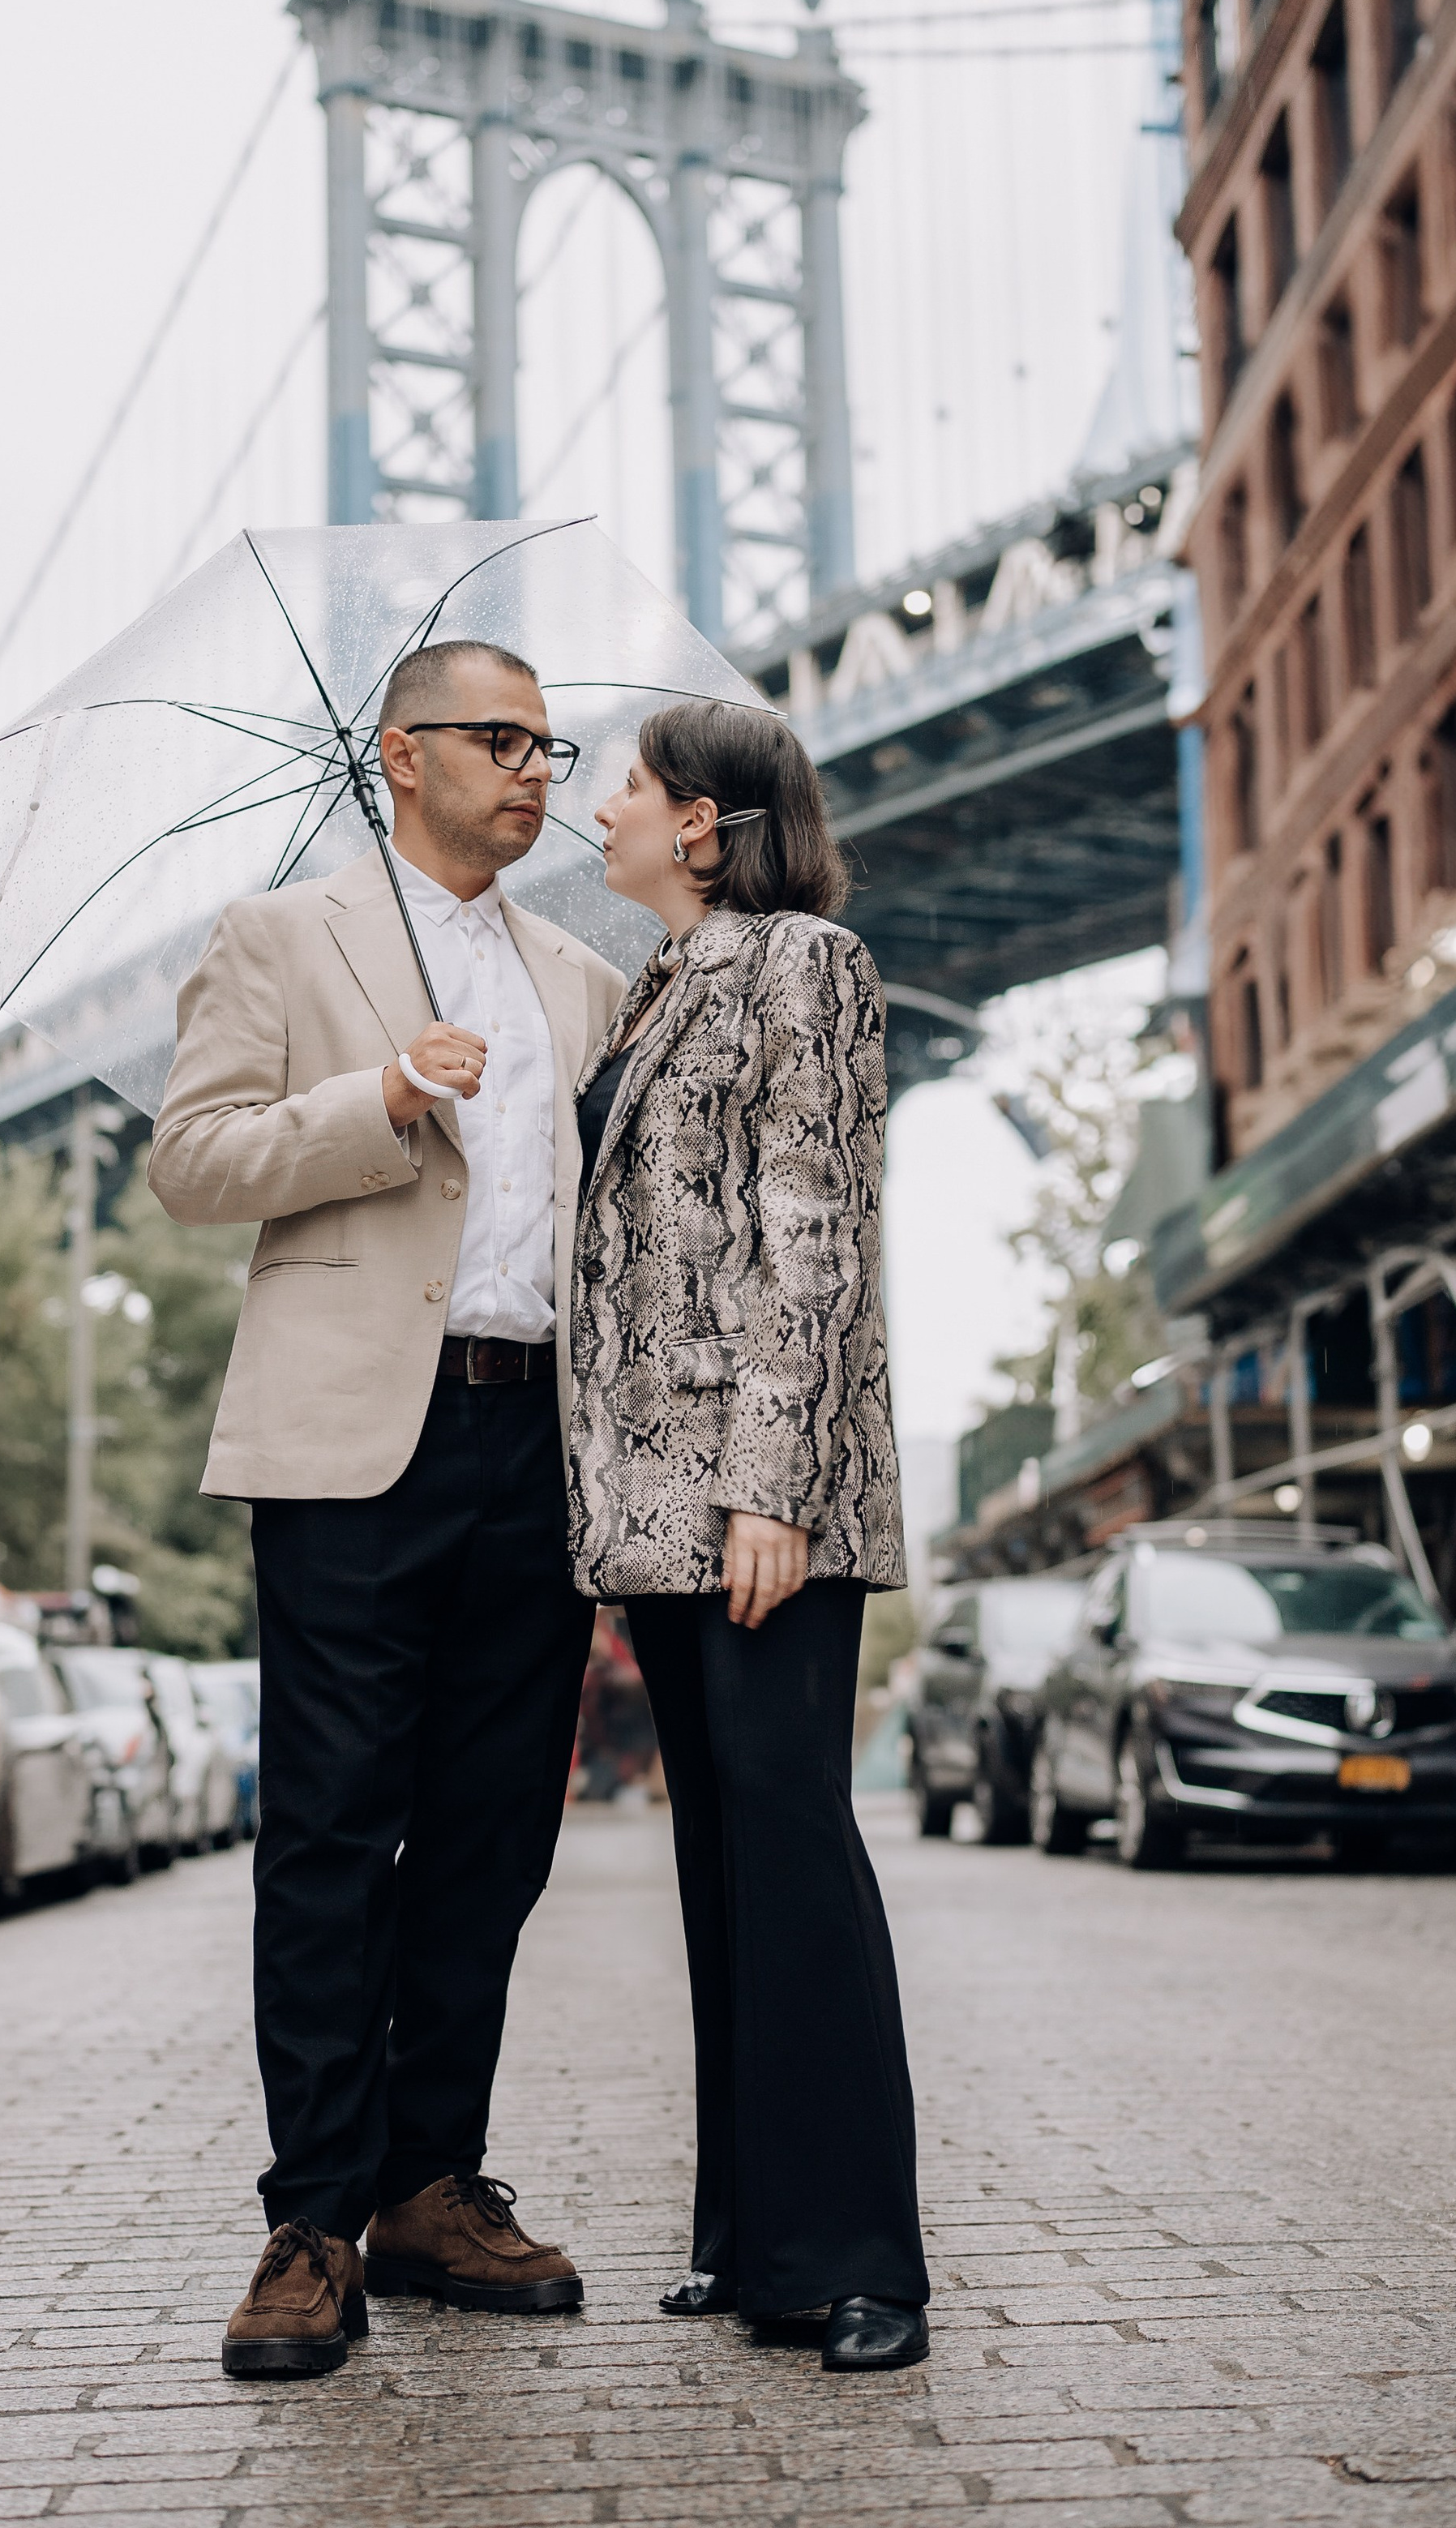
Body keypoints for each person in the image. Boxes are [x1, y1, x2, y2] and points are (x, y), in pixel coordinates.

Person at [148, 639, 625, 2380]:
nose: (534, 771)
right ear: (395, 752)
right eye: (497, 739)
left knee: (493, 1837)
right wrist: (381, 1098)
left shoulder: (582, 976)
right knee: (336, 1832)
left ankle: (430, 2186)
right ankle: (309, 2221)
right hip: (353, 1444)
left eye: (550, 747)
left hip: (533, 1443)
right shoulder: (281, 936)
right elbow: (191, 1161)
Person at [567, 696, 931, 2375]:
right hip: (660, 1508)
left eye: (625, 787)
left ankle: (859, 2261)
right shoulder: (654, 988)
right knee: (718, 1859)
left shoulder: (808, 963)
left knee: (791, 1845)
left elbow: (811, 1229)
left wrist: (769, 1484)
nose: (598, 809)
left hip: (759, 1500)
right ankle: (745, 2231)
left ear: (701, 821)